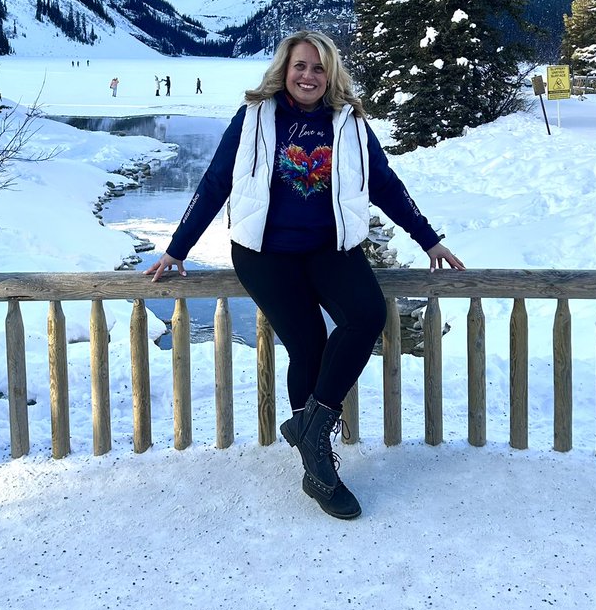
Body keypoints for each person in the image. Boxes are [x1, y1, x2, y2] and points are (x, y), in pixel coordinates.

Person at [145, 29, 464, 521]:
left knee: (367, 315)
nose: (308, 76)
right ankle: (319, 469)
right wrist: (177, 247)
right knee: (310, 345)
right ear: (283, 70)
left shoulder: (351, 123)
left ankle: (311, 426)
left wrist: (427, 237)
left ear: (331, 73)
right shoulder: (253, 117)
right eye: (300, 66)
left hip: (330, 248)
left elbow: (385, 184)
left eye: (318, 68)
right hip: (264, 253)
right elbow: (213, 183)